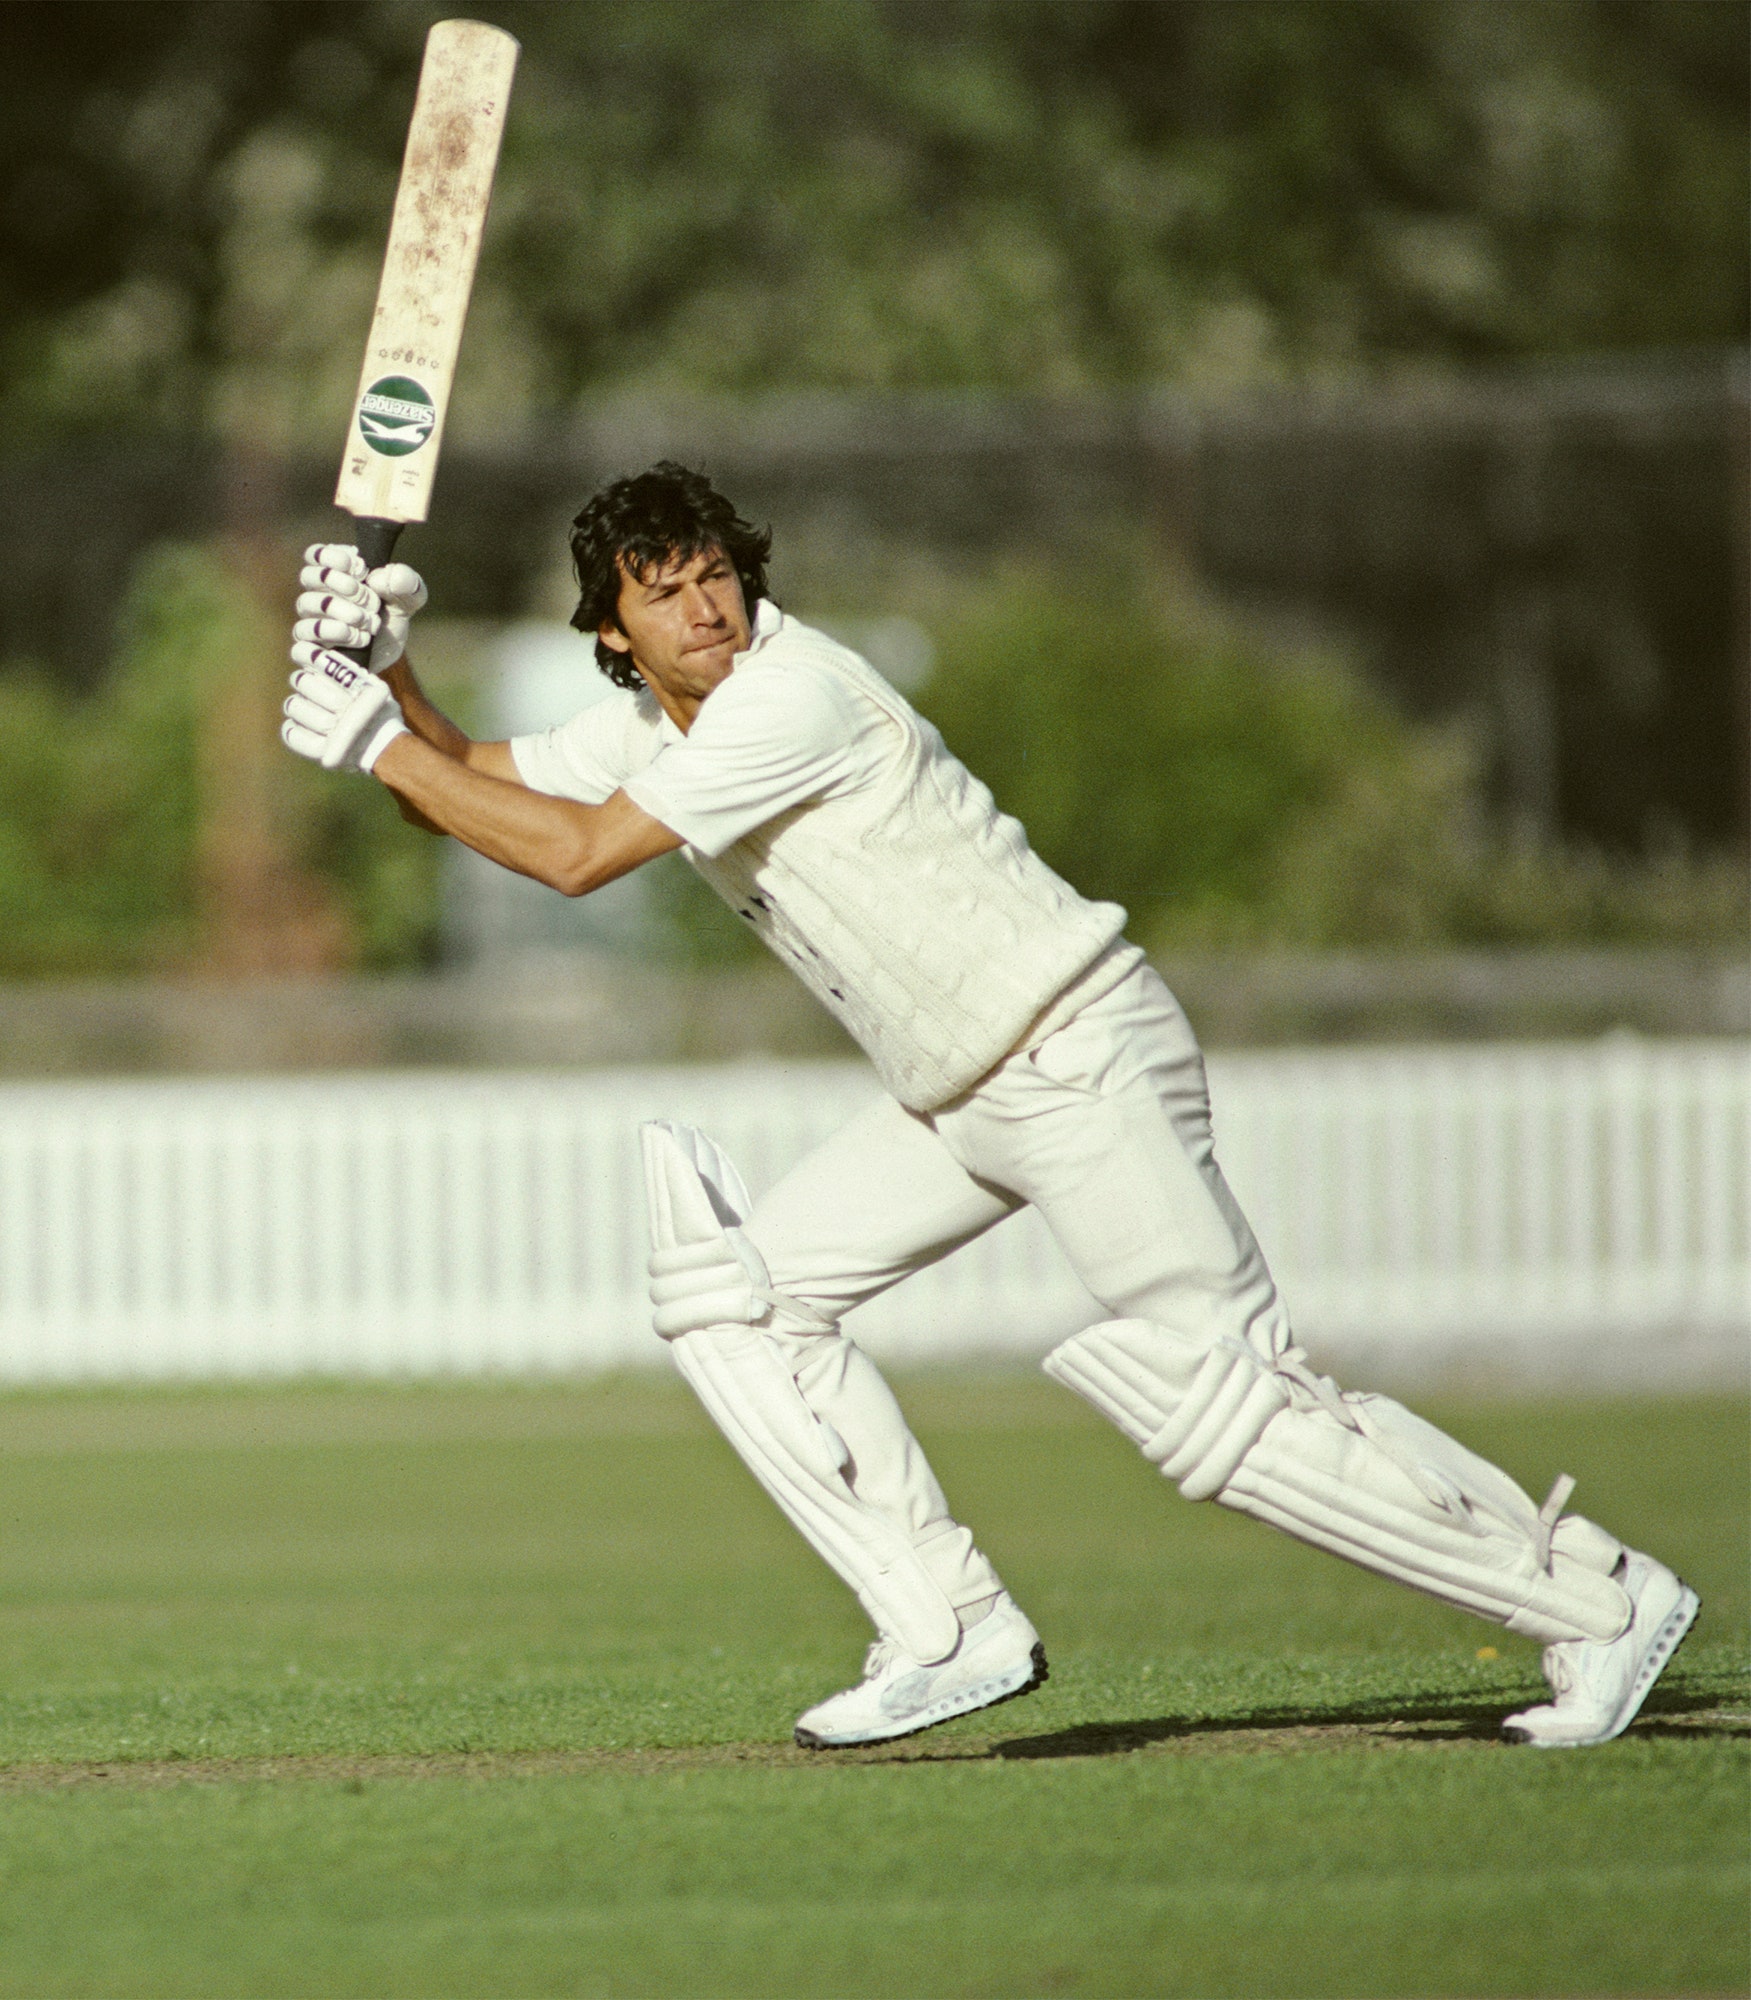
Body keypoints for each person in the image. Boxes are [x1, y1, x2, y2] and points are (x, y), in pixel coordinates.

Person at [283, 461, 1697, 1750]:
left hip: (1073, 1048)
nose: (707, 605)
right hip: (957, 1090)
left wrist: (370, 742)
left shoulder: (791, 694)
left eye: (719, 573)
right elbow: (479, 789)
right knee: (737, 1299)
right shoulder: (654, 726)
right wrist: (396, 687)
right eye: (666, 592)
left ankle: (1602, 1604)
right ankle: (946, 1626)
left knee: (1224, 1402)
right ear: (616, 634)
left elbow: (579, 858)